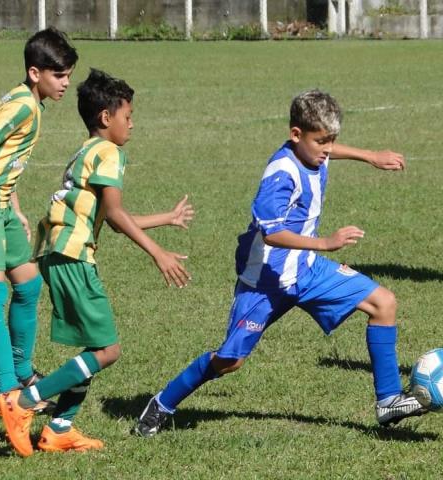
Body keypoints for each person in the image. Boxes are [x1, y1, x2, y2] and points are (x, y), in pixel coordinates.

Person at [134, 89, 426, 438]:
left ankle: (388, 400)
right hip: (265, 279)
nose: (329, 149)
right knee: (230, 361)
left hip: (306, 268)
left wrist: (369, 155)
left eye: (333, 140)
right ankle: (162, 403)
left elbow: (328, 149)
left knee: (384, 303)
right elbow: (271, 233)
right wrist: (325, 242)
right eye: (322, 141)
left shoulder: (314, 151)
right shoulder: (280, 175)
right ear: (295, 135)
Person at [0, 68, 193, 457]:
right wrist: (158, 252)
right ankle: (22, 403)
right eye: (128, 116)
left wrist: (165, 219)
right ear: (107, 117)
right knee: (107, 350)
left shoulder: (88, 149)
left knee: (94, 347)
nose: (132, 124)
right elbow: (116, 216)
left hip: (58, 253)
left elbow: (110, 216)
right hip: (73, 258)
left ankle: (59, 430)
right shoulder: (110, 152)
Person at [0, 28, 77, 412]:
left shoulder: (30, 101)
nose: (65, 83)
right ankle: (6, 390)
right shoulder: (22, 106)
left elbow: (5, 160)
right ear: (35, 73)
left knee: (27, 283)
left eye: (68, 75)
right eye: (58, 75)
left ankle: (22, 371)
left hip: (3, 206)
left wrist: (13, 202)